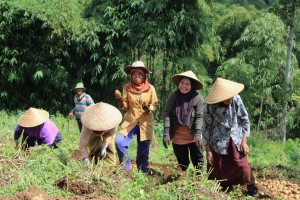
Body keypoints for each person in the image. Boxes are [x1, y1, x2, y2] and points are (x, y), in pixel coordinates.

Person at [202, 77, 258, 195]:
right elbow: (206, 127)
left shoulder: (236, 99)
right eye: (226, 97)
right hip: (216, 141)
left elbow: (245, 119)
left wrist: (244, 141)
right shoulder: (208, 106)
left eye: (230, 96)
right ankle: (223, 190)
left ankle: (251, 188)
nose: (229, 99)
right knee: (218, 167)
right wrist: (208, 150)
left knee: (242, 165)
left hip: (235, 138)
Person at [115, 60, 159, 173]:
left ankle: (142, 173)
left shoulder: (150, 88)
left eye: (139, 74)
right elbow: (125, 106)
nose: (137, 76)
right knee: (119, 142)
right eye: (134, 74)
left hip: (145, 122)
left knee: (143, 152)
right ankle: (127, 167)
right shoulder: (127, 88)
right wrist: (120, 101)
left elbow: (155, 104)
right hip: (131, 121)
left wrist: (149, 108)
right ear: (131, 75)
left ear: (144, 75)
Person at [163, 70, 204, 172]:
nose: (184, 86)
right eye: (182, 83)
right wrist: (166, 133)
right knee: (182, 161)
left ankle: (199, 178)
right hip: (178, 135)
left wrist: (198, 133)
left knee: (198, 159)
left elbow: (199, 116)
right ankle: (183, 177)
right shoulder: (173, 96)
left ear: (192, 85)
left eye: (187, 84)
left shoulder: (198, 98)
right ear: (178, 83)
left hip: (193, 135)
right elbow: (167, 113)